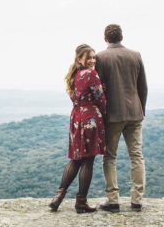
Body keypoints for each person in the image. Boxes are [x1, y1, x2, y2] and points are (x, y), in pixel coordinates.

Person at [94, 24, 148, 212]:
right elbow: (143, 87)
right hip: (135, 112)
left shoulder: (100, 57)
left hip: (113, 115)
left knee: (109, 157)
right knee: (136, 156)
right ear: (122, 37)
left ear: (105, 38)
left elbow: (98, 89)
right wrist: (141, 110)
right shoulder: (136, 55)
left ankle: (113, 200)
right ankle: (137, 200)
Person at [49, 44, 106, 213]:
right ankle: (81, 202)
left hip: (76, 117)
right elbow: (100, 99)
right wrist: (105, 115)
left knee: (76, 158)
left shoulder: (73, 74)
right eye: (89, 57)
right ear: (79, 58)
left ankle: (59, 196)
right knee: (88, 159)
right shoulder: (91, 74)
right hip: (90, 118)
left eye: (94, 57)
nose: (92, 60)